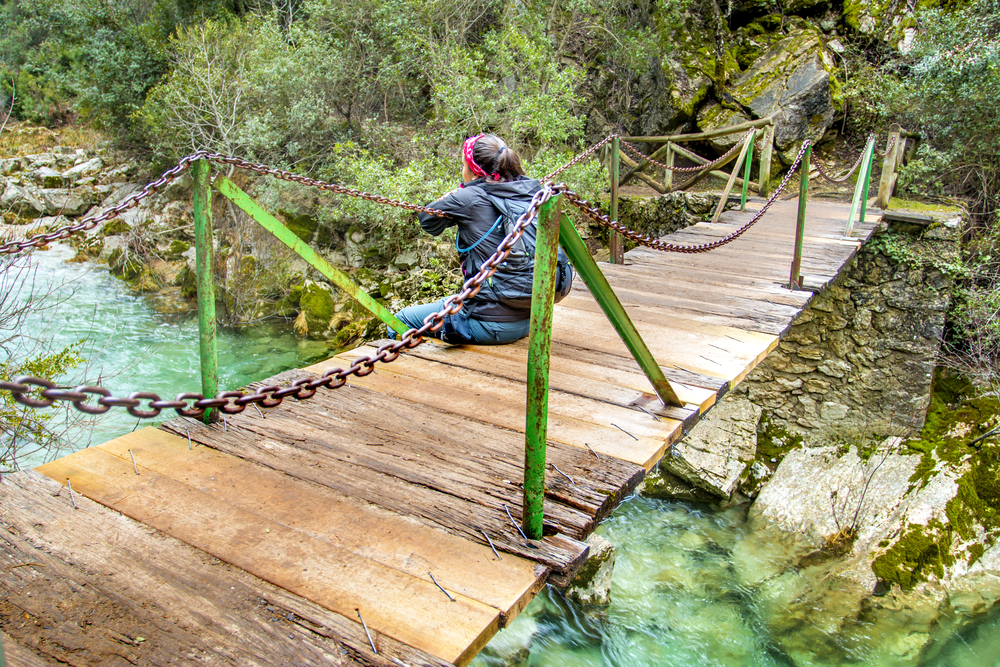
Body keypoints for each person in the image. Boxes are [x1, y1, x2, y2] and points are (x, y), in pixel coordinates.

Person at [389, 134, 541, 344]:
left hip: (488, 324)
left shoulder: (468, 198)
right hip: (532, 317)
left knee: (398, 320)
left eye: (463, 165)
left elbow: (427, 221)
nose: (462, 171)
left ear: (474, 170)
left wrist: (459, 193)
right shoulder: (532, 190)